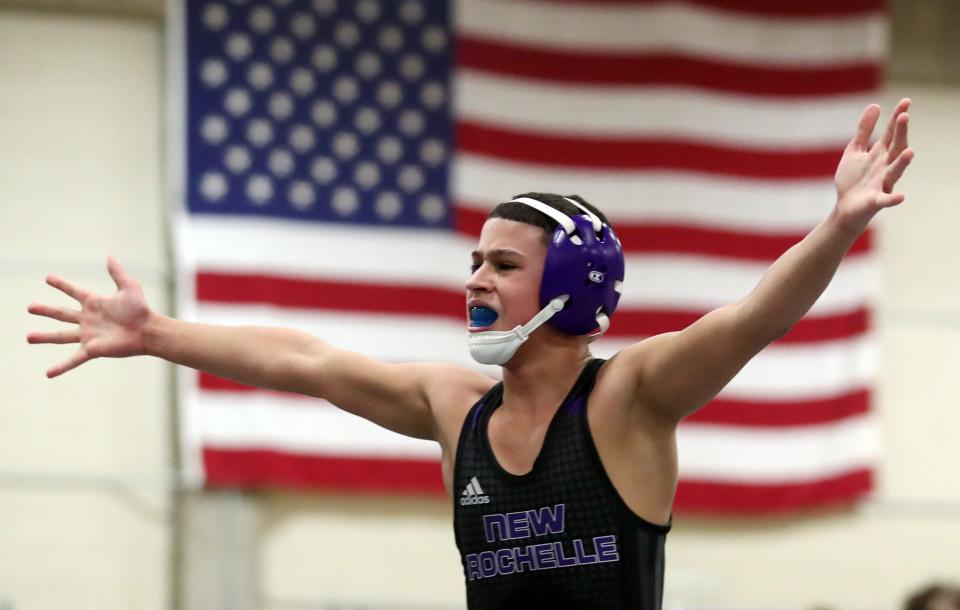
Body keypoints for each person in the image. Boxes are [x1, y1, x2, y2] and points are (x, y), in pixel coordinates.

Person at [27, 100, 914, 609]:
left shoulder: (629, 397)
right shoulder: (456, 409)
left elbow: (755, 317)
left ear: (568, 283)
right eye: (473, 261)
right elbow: (302, 358)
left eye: (501, 263)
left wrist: (837, 226)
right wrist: (153, 336)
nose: (475, 279)